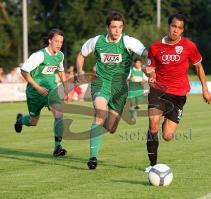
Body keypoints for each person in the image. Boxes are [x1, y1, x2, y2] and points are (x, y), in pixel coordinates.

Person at [76, 11, 148, 169]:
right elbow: (81, 55)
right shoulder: (97, 41)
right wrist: (80, 71)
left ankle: (99, 126)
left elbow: (145, 53)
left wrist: (150, 65)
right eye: (114, 27)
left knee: (111, 128)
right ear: (107, 28)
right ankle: (93, 158)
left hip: (120, 88)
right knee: (100, 113)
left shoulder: (128, 41)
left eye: (120, 27)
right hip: (101, 83)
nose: (117, 30)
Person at [143, 13, 211, 172]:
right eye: (173, 26)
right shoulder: (154, 47)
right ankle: (152, 166)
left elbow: (198, 67)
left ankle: (166, 119)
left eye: (179, 28)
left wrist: (205, 89)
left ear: (183, 30)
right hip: (158, 91)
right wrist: (151, 76)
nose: (175, 30)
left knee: (167, 136)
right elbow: (150, 69)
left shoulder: (189, 46)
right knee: (152, 123)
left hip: (178, 95)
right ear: (169, 26)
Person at [14, 28, 68, 156]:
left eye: (61, 42)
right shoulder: (39, 55)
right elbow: (24, 71)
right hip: (34, 93)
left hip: (51, 90)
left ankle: (57, 147)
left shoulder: (60, 55)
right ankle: (21, 119)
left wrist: (66, 86)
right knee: (33, 121)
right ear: (50, 41)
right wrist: (37, 87)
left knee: (59, 113)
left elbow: (60, 70)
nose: (59, 44)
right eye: (56, 41)